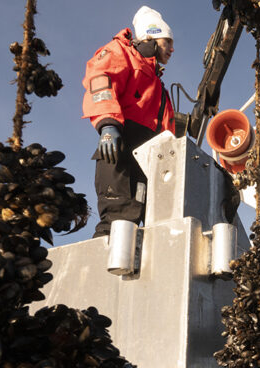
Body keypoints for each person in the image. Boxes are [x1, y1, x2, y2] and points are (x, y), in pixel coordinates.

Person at [82, 6, 176, 238]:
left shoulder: (157, 84)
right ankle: (103, 263)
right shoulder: (119, 52)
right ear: (151, 36)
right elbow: (101, 81)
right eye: (168, 42)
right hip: (120, 149)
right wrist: (108, 125)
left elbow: (165, 126)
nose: (172, 49)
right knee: (117, 219)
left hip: (148, 157)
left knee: (139, 219)